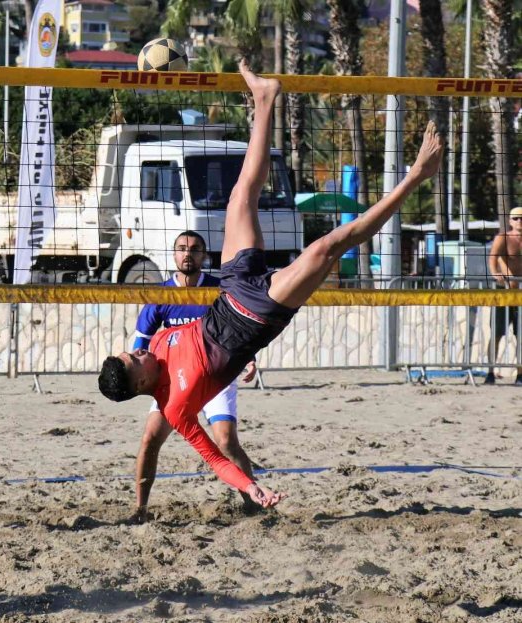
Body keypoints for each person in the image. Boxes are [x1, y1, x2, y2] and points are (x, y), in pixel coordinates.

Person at [98, 61, 444, 509]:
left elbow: (194, 337)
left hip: (233, 288)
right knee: (328, 246)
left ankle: (264, 99)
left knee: (242, 194)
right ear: (140, 381)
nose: (140, 349)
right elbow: (212, 458)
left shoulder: (160, 344)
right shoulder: (176, 407)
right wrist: (250, 487)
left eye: (134, 350)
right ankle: (417, 175)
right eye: (135, 357)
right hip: (260, 313)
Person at [131, 230, 259, 522]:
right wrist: (139, 380)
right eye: (182, 248)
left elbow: (239, 328)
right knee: (150, 438)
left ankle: (254, 505)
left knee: (226, 443)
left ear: (204, 255)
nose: (187, 253)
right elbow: (140, 343)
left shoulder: (217, 290)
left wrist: (250, 357)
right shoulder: (161, 294)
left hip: (215, 376)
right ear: (174, 254)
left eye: (194, 249)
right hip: (173, 382)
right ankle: (140, 510)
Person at [485, 206, 522, 385]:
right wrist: (495, 273)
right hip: (504, 292)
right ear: (510, 221)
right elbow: (492, 257)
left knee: (521, 336)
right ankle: (490, 371)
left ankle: (520, 373)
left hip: (521, 295)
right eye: (516, 219)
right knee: (497, 333)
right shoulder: (503, 238)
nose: (519, 221)